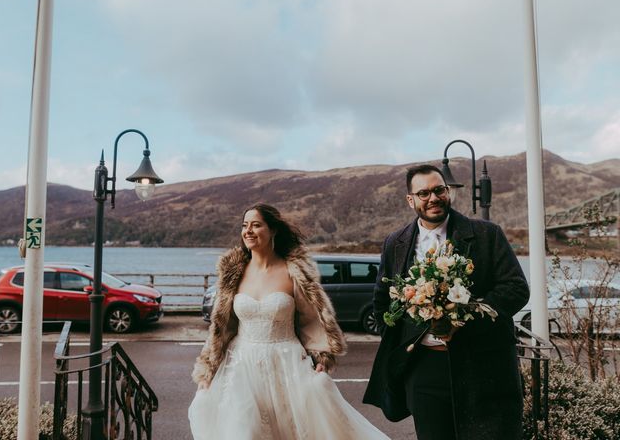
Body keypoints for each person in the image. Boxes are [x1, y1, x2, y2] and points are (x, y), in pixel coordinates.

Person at [189, 203, 390, 439]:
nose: (248, 231)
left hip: (287, 363)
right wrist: (208, 368)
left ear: (273, 230)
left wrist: (321, 356)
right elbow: (222, 327)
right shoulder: (233, 273)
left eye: (256, 225)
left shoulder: (294, 272)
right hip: (240, 366)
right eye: (245, 226)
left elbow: (312, 320)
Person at [363, 164, 530, 440]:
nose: (433, 198)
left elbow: (515, 289)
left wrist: (462, 323)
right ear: (411, 199)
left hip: (481, 365)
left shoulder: (487, 234)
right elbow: (383, 302)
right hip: (424, 371)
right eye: (424, 193)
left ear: (448, 191)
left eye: (439, 190)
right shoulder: (395, 243)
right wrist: (403, 339)